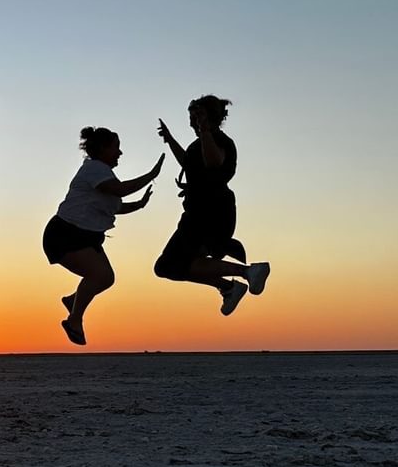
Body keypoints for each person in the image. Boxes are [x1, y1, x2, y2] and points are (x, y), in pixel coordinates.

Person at [153, 95, 270, 316]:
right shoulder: (197, 145)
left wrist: (206, 130)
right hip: (196, 214)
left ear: (211, 117)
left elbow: (214, 163)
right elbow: (189, 162)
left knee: (167, 265)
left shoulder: (221, 141)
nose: (192, 121)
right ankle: (230, 286)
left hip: (211, 214)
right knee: (169, 266)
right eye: (191, 117)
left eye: (197, 116)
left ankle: (246, 273)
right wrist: (169, 140)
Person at [46, 127, 162, 345]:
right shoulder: (94, 169)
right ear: (102, 149)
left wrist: (139, 204)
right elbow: (119, 190)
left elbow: (116, 205)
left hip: (82, 236)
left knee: (105, 278)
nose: (120, 153)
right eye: (116, 148)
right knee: (100, 276)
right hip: (65, 234)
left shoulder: (103, 175)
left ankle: (74, 301)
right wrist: (151, 175)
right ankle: (74, 319)